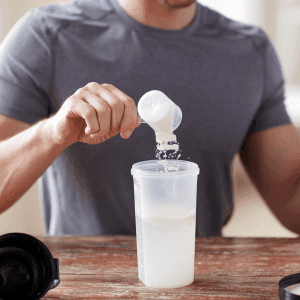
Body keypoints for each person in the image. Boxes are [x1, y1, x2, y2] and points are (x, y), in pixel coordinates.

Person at [0, 0, 299, 237]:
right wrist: (54, 133)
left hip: (200, 279)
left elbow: (290, 199)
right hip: (86, 280)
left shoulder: (250, 51)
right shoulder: (46, 35)